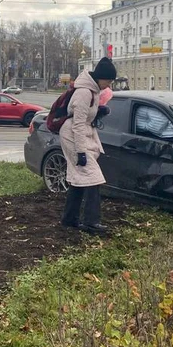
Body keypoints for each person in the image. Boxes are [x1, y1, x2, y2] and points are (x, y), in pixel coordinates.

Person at [60, 56, 117, 235]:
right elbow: (77, 124)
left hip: (80, 132)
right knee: (93, 178)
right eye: (108, 81)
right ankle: (92, 222)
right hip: (73, 135)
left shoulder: (93, 90)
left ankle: (70, 219)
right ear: (101, 77)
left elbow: (85, 117)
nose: (108, 85)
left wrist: (98, 112)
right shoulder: (84, 92)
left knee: (80, 177)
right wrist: (81, 152)